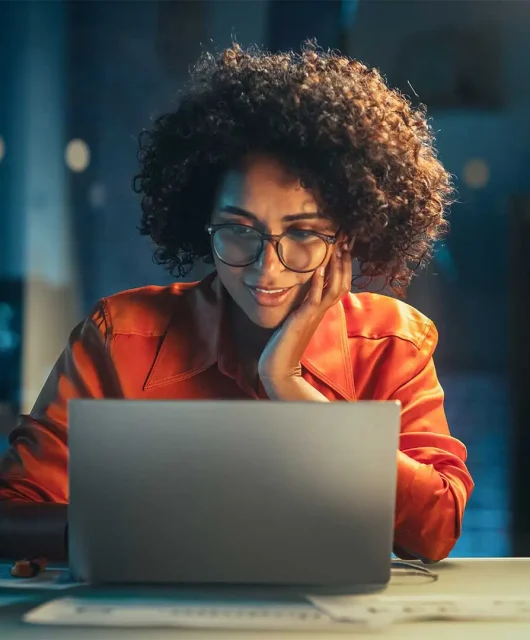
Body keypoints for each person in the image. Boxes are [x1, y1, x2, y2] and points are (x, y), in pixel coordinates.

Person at [0, 43, 473, 562]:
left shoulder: (390, 343)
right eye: (238, 230)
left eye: (303, 233)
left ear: (348, 237)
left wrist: (289, 385)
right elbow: (13, 514)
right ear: (203, 224)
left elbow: (436, 529)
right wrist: (133, 534)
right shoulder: (120, 335)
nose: (265, 268)